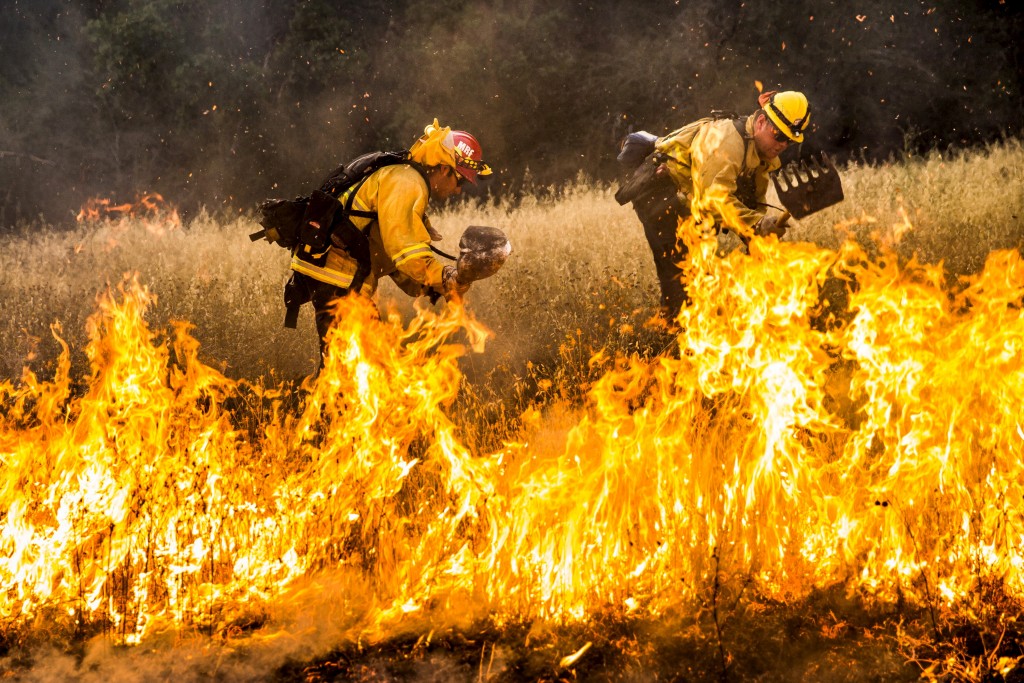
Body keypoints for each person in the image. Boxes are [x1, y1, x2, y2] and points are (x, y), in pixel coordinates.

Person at [285, 119, 492, 366]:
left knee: (361, 366)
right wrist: (445, 276)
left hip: (340, 281)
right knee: (349, 371)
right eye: (460, 182)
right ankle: (321, 403)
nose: (459, 191)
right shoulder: (407, 183)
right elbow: (406, 252)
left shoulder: (404, 178)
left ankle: (318, 401)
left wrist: (433, 287)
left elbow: (387, 255)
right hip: (338, 282)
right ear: (445, 169)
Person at [620, 90, 810, 318]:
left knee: (703, 277)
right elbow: (712, 199)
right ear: (761, 121)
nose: (783, 144)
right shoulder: (726, 142)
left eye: (790, 140)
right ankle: (672, 340)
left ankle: (698, 326)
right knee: (682, 278)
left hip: (690, 201)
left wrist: (757, 237)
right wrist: (757, 224)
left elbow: (752, 202)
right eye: (779, 135)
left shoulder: (761, 154)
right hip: (659, 192)